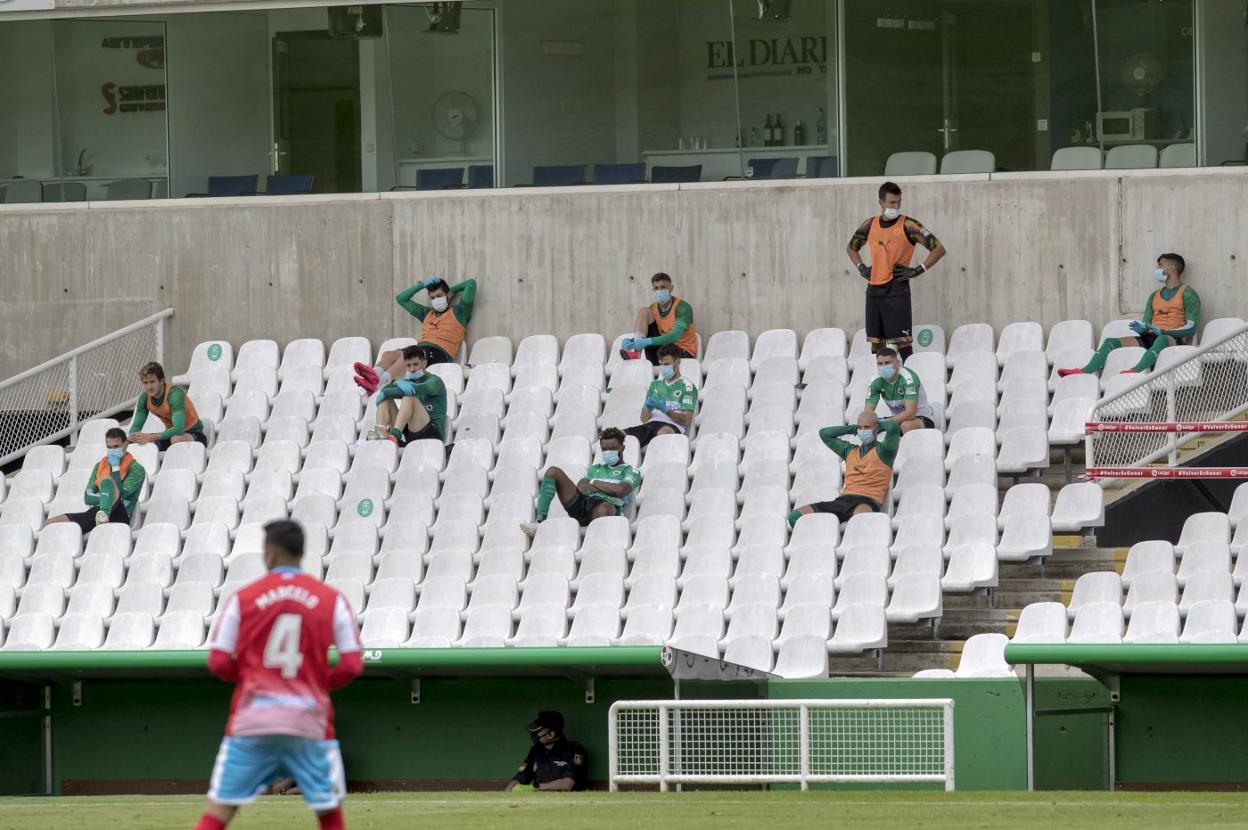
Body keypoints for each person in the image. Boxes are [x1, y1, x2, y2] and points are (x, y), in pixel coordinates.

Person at [193, 520, 362, 830]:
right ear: (301, 554)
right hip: (308, 721)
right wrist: (317, 684)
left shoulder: (242, 599)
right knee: (330, 818)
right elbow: (352, 664)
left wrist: (247, 677)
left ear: (269, 555)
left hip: (252, 720)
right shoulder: (331, 599)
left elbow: (217, 661)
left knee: (216, 816)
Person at [846, 182, 946, 360]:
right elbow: (851, 248)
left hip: (897, 290)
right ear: (881, 202)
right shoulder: (869, 224)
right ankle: (880, 383)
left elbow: (938, 249)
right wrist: (861, 267)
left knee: (902, 341)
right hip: (874, 291)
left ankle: (910, 381)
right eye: (892, 202)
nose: (896, 206)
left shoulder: (909, 225)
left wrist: (918, 270)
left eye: (899, 202)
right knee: (877, 342)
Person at [1058, 253, 1200, 377]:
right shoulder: (1154, 296)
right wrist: (1144, 329)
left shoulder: (1188, 294)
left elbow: (1191, 328)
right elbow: (1147, 323)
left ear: (1171, 269)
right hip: (1151, 337)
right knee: (1110, 341)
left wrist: (1163, 331)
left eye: (1160, 265)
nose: (1157, 269)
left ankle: (1136, 371)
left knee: (1161, 338)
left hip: (1172, 339)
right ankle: (1085, 371)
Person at [354, 276, 477, 393]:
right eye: (433, 298)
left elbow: (471, 284)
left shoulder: (459, 312)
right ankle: (373, 376)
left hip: (441, 354)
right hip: (421, 349)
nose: (436, 300)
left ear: (448, 296)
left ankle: (380, 383)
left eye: (439, 296)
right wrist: (422, 285)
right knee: (389, 354)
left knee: (409, 356)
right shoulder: (427, 313)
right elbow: (401, 298)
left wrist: (451, 291)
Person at [520, 428, 640, 537]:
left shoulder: (630, 470)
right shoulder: (595, 468)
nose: (607, 452)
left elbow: (621, 490)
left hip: (605, 507)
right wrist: (609, 487)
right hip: (583, 503)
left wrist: (594, 482)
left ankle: (597, 540)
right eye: (604, 449)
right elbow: (582, 487)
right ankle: (539, 522)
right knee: (553, 472)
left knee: (606, 508)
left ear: (622, 448)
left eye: (612, 449)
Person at [788, 413, 901, 526]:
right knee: (795, 517)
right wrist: (852, 429)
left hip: (867, 501)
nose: (862, 431)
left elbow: (894, 427)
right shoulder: (849, 450)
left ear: (876, 429)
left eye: (867, 427)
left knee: (861, 520)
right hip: (843, 500)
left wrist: (877, 422)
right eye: (860, 428)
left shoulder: (885, 452)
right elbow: (824, 433)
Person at [44, 427, 145, 533]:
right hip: (96, 512)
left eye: (116, 447)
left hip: (121, 514)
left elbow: (122, 494)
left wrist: (115, 468)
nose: (112, 450)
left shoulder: (137, 469)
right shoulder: (99, 466)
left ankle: (103, 517)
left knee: (106, 480)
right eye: (109, 447)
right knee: (50, 523)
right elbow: (87, 497)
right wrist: (106, 497)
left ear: (125, 445)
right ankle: (102, 517)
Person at [365, 345, 446, 447]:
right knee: (386, 400)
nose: (412, 369)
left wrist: (392, 386)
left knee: (409, 397)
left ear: (424, 363)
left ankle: (395, 434)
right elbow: (386, 389)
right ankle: (380, 431)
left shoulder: (435, 381)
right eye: (408, 365)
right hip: (410, 432)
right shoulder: (407, 381)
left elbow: (413, 389)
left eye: (415, 364)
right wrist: (393, 386)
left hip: (432, 433)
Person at [623, 345, 697, 448]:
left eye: (667, 364)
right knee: (617, 435)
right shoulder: (654, 385)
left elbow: (686, 421)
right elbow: (644, 419)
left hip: (672, 426)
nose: (663, 368)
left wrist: (665, 409)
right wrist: (648, 408)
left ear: (678, 362)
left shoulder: (687, 386)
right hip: (650, 425)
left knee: (663, 434)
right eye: (661, 364)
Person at [620, 272, 698, 364]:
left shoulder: (682, 307)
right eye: (656, 288)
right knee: (643, 311)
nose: (659, 291)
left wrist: (647, 341)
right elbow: (646, 335)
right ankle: (636, 354)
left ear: (671, 288)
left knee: (664, 346)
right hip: (661, 351)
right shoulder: (652, 308)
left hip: (681, 353)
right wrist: (632, 341)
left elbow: (674, 336)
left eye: (663, 287)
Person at [128, 361, 208, 450]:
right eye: (145, 383)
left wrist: (149, 437)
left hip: (194, 433)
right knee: (144, 445)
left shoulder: (175, 394)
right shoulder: (144, 398)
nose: (149, 387)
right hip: (170, 435)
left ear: (162, 381)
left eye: (152, 382)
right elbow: (135, 426)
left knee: (176, 440)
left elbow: (178, 429)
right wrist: (133, 436)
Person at [504, 711, 588, 792]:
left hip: (565, 801)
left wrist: (533, 788)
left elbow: (567, 785)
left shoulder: (575, 750)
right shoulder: (535, 751)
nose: (534, 735)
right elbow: (520, 778)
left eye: (538, 731)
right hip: (537, 801)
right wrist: (509, 792)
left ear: (551, 734)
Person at [863, 347, 935, 434]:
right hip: (896, 419)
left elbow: (911, 413)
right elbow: (868, 412)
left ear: (897, 363)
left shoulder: (908, 379)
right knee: (867, 425)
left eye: (887, 363)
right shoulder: (875, 381)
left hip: (919, 417)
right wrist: (870, 422)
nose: (883, 367)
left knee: (906, 426)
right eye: (880, 364)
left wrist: (886, 422)